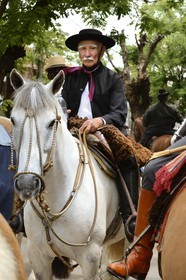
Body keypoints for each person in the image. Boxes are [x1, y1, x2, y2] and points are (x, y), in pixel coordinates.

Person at [61, 28, 139, 240]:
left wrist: (99, 121)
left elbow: (120, 112)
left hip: (105, 130)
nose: (87, 53)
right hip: (71, 130)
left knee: (128, 159)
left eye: (92, 48)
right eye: (83, 48)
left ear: (101, 51)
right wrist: (62, 112)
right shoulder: (69, 78)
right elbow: (61, 104)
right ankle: (23, 210)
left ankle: (131, 215)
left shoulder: (113, 79)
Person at [107, 136, 186, 279]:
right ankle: (140, 254)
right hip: (79, 128)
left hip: (106, 122)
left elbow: (119, 112)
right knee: (152, 170)